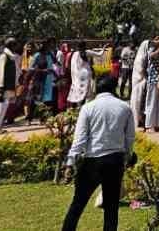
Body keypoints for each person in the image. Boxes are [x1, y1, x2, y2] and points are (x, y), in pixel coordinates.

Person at [61, 74, 135, 231]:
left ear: (97, 88)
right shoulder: (125, 107)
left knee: (78, 204)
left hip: (92, 161)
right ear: (113, 88)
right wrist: (127, 157)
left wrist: (70, 163)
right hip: (115, 160)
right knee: (111, 208)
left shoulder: (88, 108)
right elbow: (129, 138)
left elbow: (79, 140)